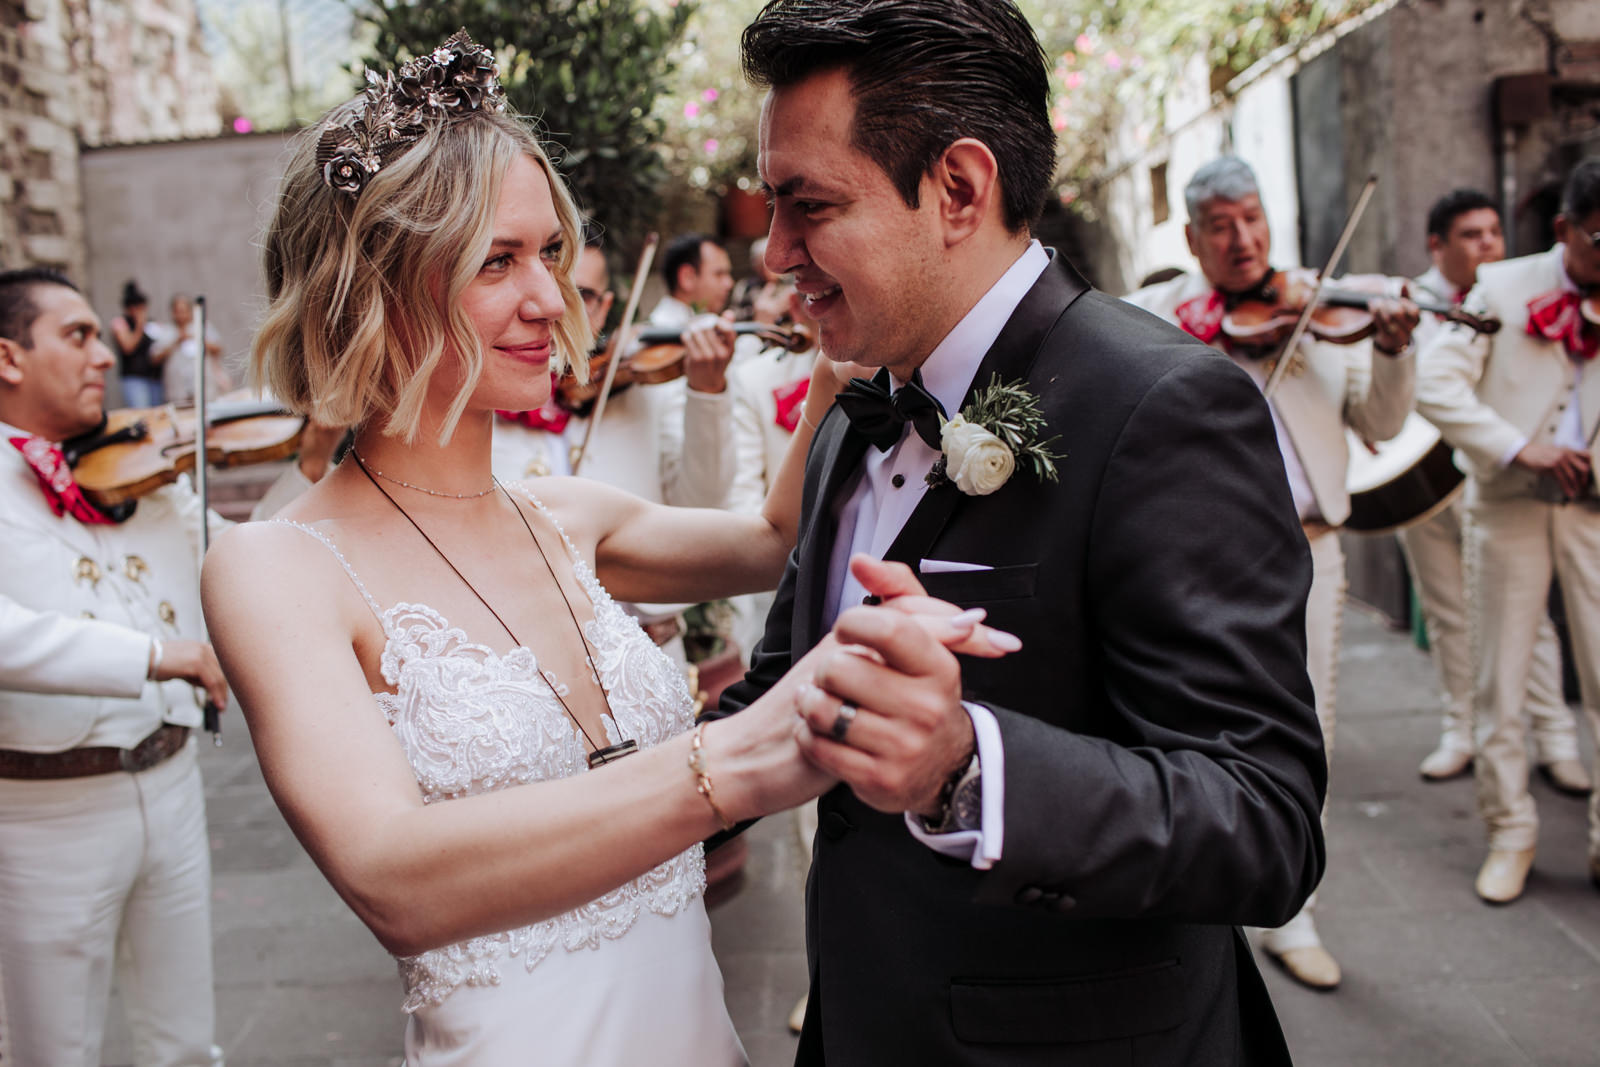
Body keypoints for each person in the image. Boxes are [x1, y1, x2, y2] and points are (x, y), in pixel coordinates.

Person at [198, 33, 1005, 1064]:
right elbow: (392, 875)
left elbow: (774, 537)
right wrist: (749, 753)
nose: (551, 299)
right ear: (373, 290)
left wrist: (836, 382)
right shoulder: (277, 566)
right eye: (497, 260)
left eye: (548, 252)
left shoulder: (568, 513)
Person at [711, 4, 1327, 1062]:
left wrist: (966, 766)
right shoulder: (854, 411)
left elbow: (1264, 822)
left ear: (957, 188)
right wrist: (602, 795)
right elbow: (785, 687)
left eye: (805, 206)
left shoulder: (1166, 407)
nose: (772, 253)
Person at [1123, 156, 1419, 991]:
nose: (1243, 239)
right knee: (1184, 716)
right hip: (1193, 550)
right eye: (1221, 225)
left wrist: (1392, 349)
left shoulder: (1322, 308)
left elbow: (1385, 421)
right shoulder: (1160, 314)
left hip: (1307, 544)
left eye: (1252, 218)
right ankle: (1200, 892)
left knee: (1306, 725)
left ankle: (1293, 912)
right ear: (1191, 236)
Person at [0, 267, 231, 1066]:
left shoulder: (142, 466)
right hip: (39, 813)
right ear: (7, 357)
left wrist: (310, 464)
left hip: (170, 784)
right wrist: (158, 656)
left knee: (187, 1043)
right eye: (78, 335)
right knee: (48, 1050)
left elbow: (248, 565)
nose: (105, 354)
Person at [1414, 157, 1600, 904]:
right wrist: (1523, 446)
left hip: (1593, 510)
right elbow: (1435, 384)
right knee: (1499, 679)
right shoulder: (1500, 287)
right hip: (1508, 504)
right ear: (1563, 230)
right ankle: (1510, 832)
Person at [153, 294, 231, 406]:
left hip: (203, 389)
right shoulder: (167, 331)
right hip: (177, 392)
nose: (181, 315)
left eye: (183, 311)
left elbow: (219, 348)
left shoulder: (203, 327)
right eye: (177, 311)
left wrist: (196, 338)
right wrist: (176, 341)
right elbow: (155, 357)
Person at [650, 232, 735, 326]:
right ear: (687, 277)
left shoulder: (698, 321)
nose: (729, 283)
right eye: (719, 274)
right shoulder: (662, 326)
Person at [110, 280, 165, 407]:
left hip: (154, 378)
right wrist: (140, 326)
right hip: (134, 378)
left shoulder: (152, 324)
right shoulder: (120, 323)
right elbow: (128, 347)